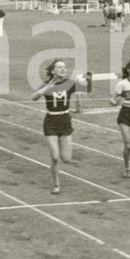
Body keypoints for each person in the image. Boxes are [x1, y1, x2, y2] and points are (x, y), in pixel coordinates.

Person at [31, 59, 90, 194]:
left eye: (64, 67)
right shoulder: (47, 84)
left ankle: (59, 170)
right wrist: (50, 85)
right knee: (55, 157)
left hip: (65, 121)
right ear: (53, 71)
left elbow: (86, 89)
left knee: (66, 159)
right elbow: (34, 97)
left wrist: (87, 79)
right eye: (59, 67)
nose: (63, 69)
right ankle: (56, 183)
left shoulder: (70, 83)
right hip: (51, 121)